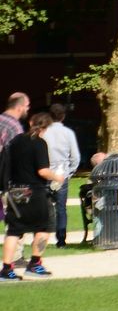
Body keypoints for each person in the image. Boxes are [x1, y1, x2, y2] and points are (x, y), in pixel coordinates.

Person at [1, 110, 59, 279]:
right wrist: (57, 177)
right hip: (34, 191)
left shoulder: (15, 141)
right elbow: (43, 171)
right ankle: (35, 263)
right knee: (44, 226)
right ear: (46, 127)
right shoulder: (39, 143)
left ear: (31, 122)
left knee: (14, 230)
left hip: (16, 190)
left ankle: (6, 268)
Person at [43, 102, 79, 248]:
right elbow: (75, 157)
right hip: (61, 173)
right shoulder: (68, 133)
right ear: (63, 116)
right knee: (61, 208)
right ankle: (61, 239)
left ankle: (40, 237)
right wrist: (69, 173)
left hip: (44, 173)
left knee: (43, 207)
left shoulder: (43, 132)